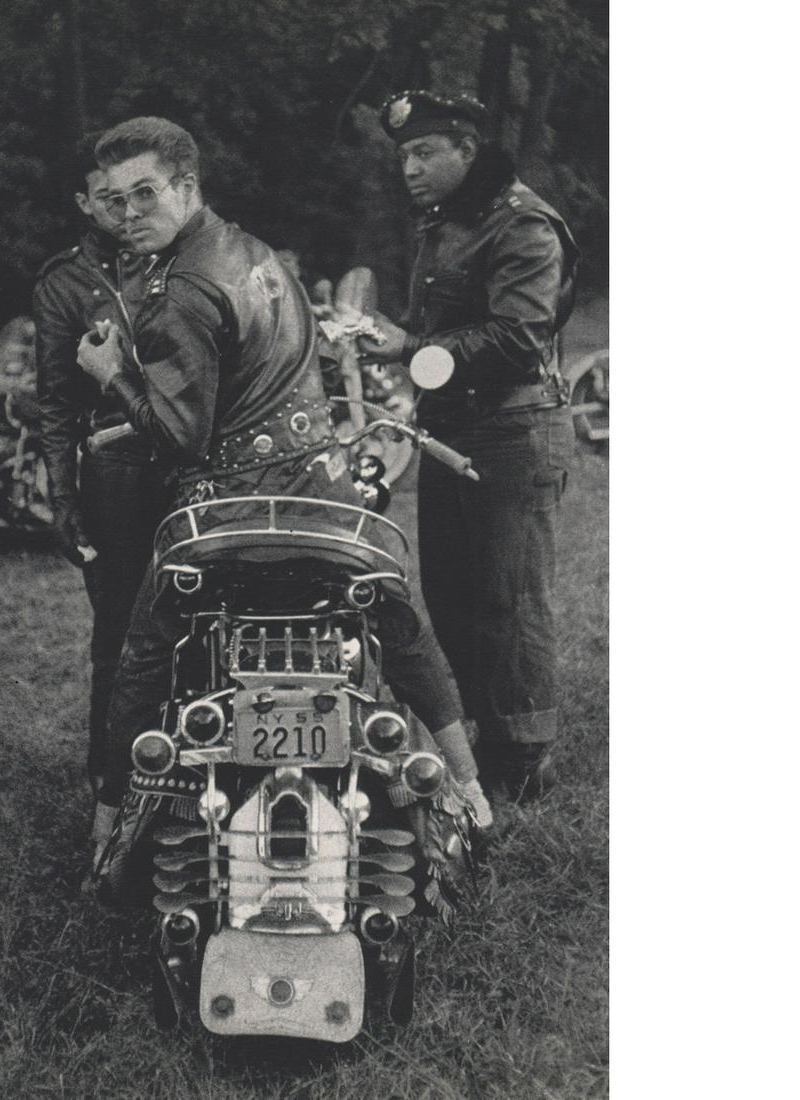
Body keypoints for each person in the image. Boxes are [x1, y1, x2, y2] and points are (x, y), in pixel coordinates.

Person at [72, 116, 492, 858]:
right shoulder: (252, 251)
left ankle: (109, 828)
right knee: (400, 620)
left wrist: (112, 377)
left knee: (141, 656)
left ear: (186, 186)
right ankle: (471, 790)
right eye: (117, 199)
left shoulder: (179, 290)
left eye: (146, 193)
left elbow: (179, 437)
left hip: (229, 514)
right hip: (326, 494)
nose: (130, 213)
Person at [357, 90, 579, 801]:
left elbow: (518, 340)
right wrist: (387, 346)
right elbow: (448, 331)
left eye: (425, 152)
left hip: (514, 431)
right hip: (452, 429)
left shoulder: (522, 225)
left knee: (509, 599)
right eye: (403, 156)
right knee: (451, 593)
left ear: (467, 149)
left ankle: (527, 756)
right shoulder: (448, 222)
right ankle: (486, 728)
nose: (410, 169)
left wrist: (408, 348)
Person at [34, 131, 175, 795]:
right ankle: (111, 776)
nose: (123, 211)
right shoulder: (64, 284)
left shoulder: (175, 258)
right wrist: (64, 498)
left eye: (132, 195)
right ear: (83, 203)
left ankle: (188, 759)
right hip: (117, 470)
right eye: (106, 198)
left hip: (189, 457)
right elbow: (56, 402)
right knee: (121, 625)